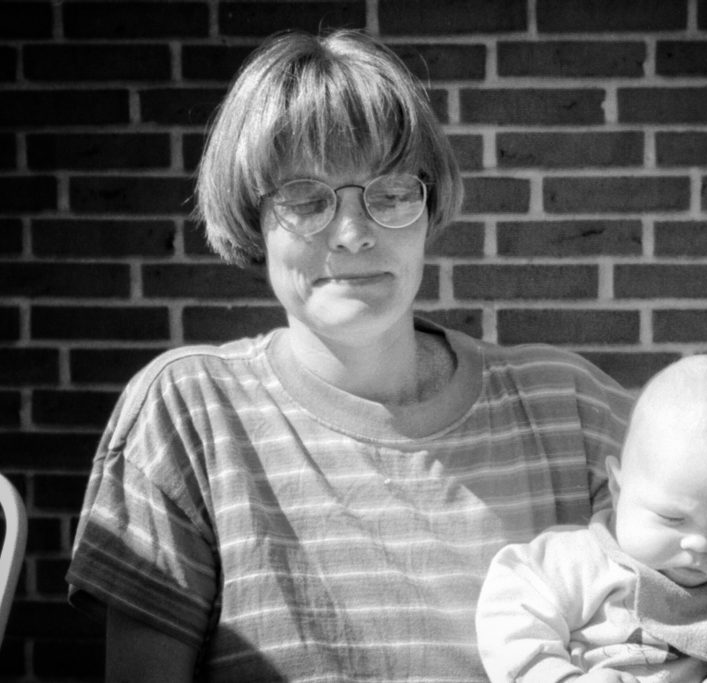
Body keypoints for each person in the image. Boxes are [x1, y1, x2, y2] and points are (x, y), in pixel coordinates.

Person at [65, 29, 635, 682]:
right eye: (306, 199)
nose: (354, 233)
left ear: (428, 206)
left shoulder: (570, 409)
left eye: (390, 192)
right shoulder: (192, 415)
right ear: (254, 218)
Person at [476, 355, 707, 683]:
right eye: (672, 517)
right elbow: (510, 609)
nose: (700, 544)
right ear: (617, 489)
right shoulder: (579, 562)